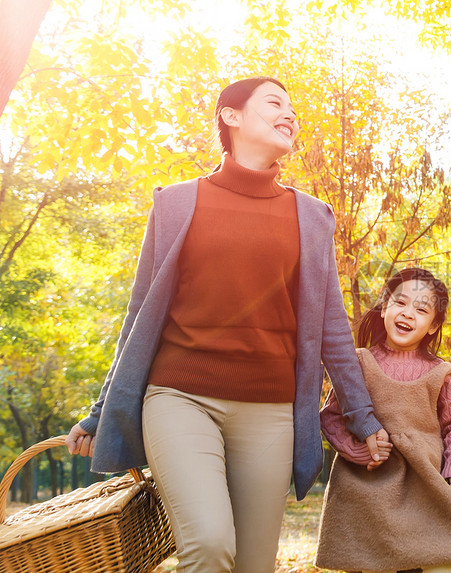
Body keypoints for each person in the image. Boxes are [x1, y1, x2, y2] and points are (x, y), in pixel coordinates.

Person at [63, 76, 389, 573]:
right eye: (275, 103)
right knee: (210, 545)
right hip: (179, 398)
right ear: (231, 116)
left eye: (292, 110)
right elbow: (139, 313)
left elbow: (332, 330)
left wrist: (362, 418)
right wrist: (103, 408)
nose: (289, 115)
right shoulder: (175, 203)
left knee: (254, 565)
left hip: (271, 411)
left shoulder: (311, 216)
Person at [315, 268, 451, 573]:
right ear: (384, 307)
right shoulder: (358, 363)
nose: (408, 313)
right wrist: (354, 450)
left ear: (434, 325)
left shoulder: (440, 373)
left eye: (421, 309)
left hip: (423, 486)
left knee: (437, 563)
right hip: (367, 491)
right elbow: (331, 417)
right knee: (371, 563)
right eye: (400, 303)